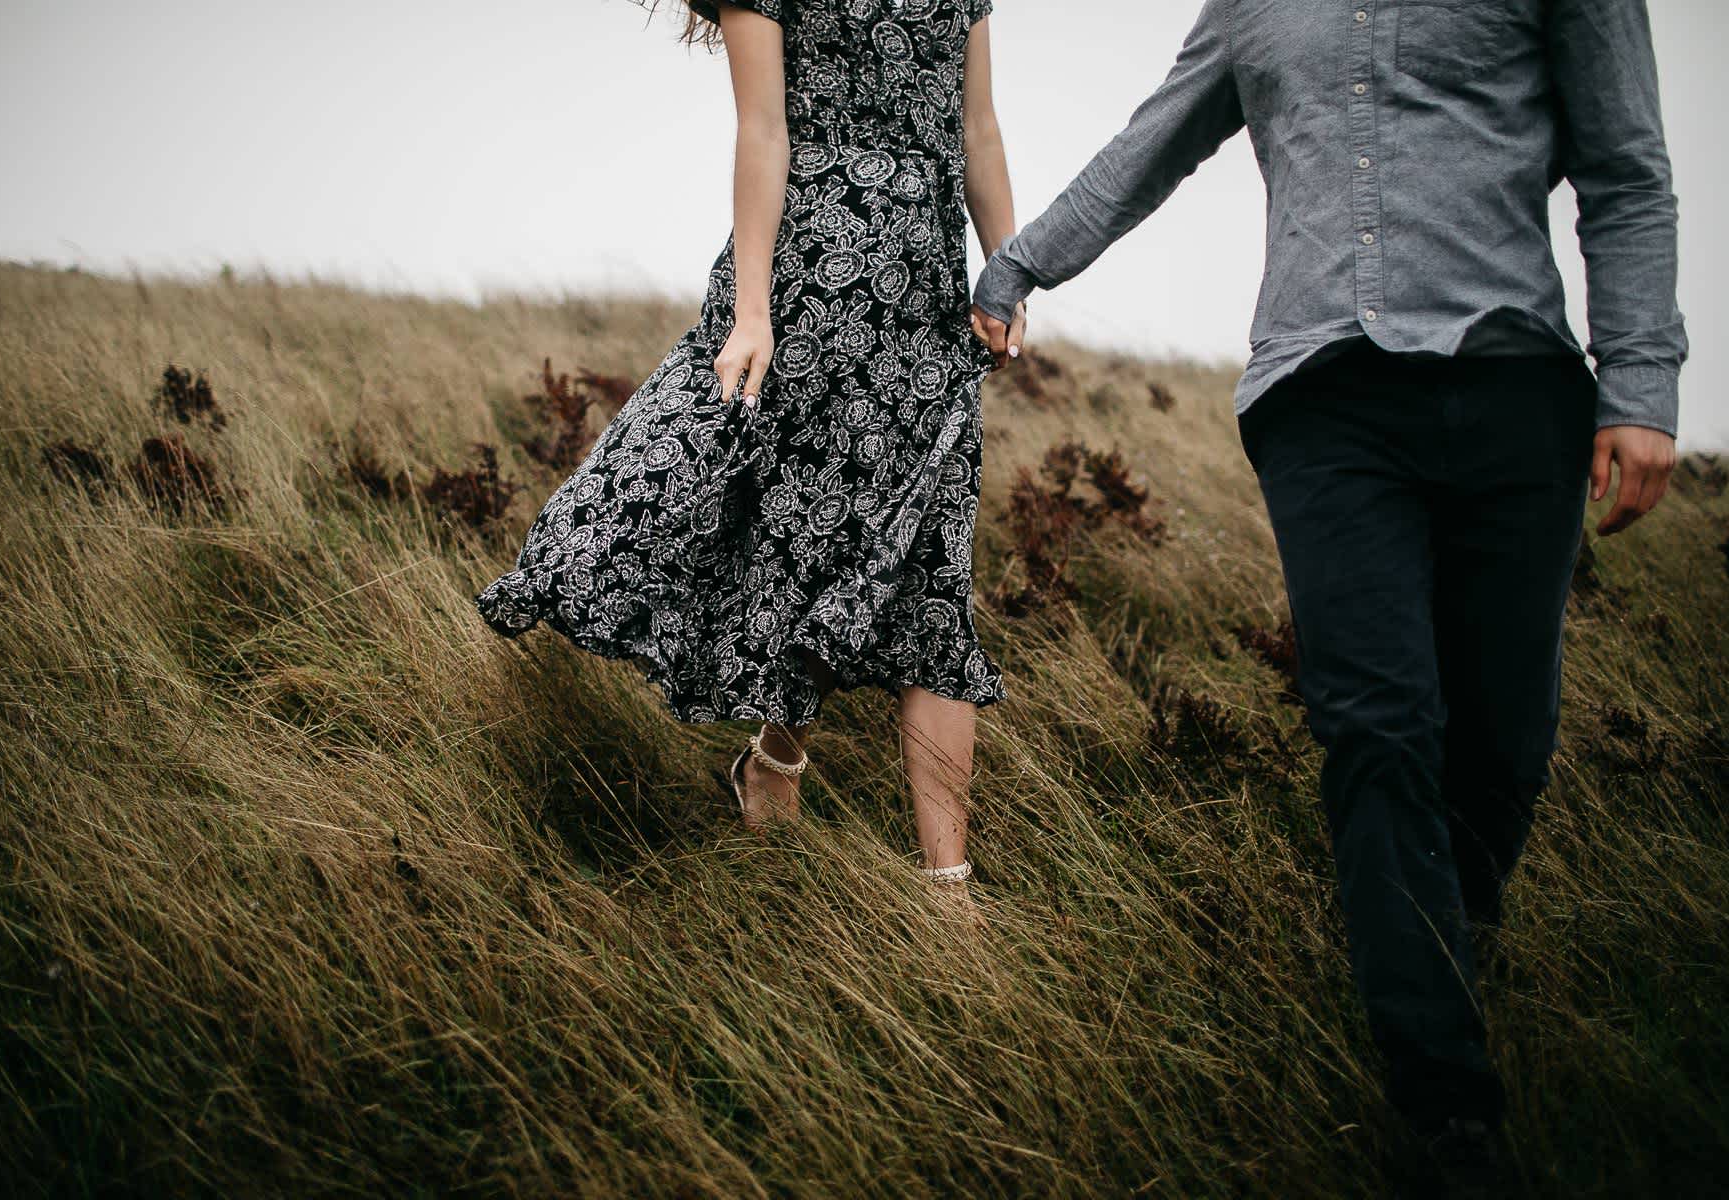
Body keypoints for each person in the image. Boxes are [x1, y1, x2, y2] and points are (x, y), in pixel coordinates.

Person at [970, 0, 1684, 1189]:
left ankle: (1441, 938)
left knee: (1505, 743)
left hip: (1512, 382)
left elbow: (1626, 168)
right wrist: (1018, 259)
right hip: (1324, 400)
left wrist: (1643, 381)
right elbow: (1151, 143)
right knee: (1378, 727)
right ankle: (1445, 1103)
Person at [476, 0, 1029, 898]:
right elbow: (763, 130)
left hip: (926, 303)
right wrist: (754, 314)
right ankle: (772, 763)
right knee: (793, 540)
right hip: (804, 286)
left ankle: (946, 892)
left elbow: (980, 128)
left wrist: (1006, 272)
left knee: (928, 567)